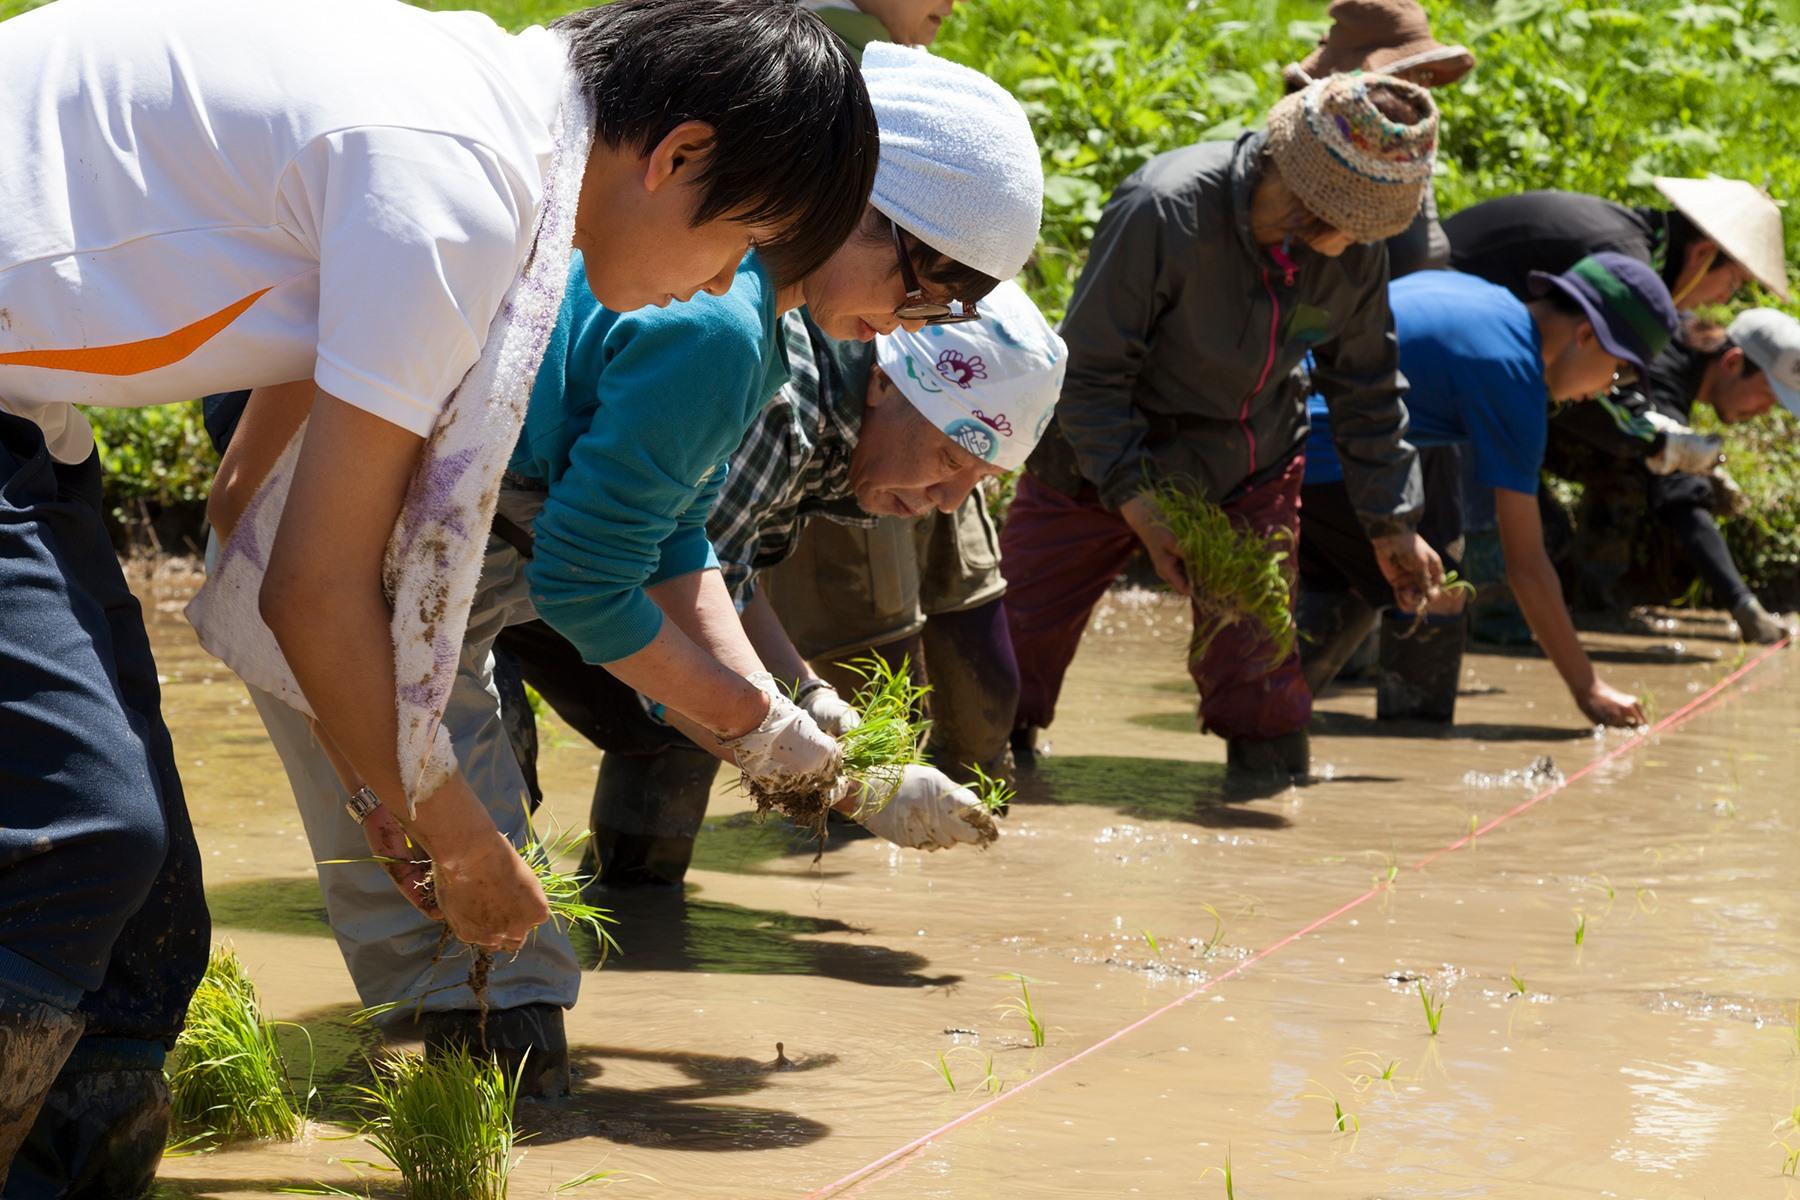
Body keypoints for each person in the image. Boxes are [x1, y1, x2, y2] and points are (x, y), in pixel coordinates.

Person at [0, 0, 876, 1188]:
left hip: (29, 407)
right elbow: (313, 590)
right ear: (677, 156)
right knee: (90, 840)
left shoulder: (481, 111)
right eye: (738, 247)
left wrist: (388, 767)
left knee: (147, 923)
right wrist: (454, 832)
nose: (713, 286)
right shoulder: (461, 184)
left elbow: (303, 331)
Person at [216, 42, 1041, 1092]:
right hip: (345, 556)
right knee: (478, 943)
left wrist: (785, 708)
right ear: (857, 204)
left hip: (425, 566)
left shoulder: (753, 317)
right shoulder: (720, 330)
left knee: (483, 918)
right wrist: (754, 728)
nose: (903, 327)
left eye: (942, 313)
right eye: (919, 286)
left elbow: (674, 548)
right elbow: (585, 588)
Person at [503, 280, 1065, 895]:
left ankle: (635, 923)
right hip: (496, 537)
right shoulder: (776, 411)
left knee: (704, 711)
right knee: (498, 778)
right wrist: (848, 787)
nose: (948, 501)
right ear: (885, 381)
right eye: (951, 461)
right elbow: (654, 606)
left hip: (565, 554)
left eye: (979, 478)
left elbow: (722, 575)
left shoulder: (837, 411)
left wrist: (810, 697)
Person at [1001, 73, 1443, 784]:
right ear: (1308, 199)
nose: (1357, 243)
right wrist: (1139, 503)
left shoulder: (1353, 252)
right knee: (1005, 664)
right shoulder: (1164, 211)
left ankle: (1267, 829)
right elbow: (1086, 373)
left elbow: (1365, 386)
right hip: (1096, 455)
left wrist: (1393, 521)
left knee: (1262, 684)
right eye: (1346, 226)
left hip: (1246, 467)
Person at [757, 0, 1019, 795]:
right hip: (880, 393)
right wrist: (791, 702)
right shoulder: (784, 49)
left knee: (974, 668)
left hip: (956, 396)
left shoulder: (928, 80)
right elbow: (654, 573)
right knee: (873, 655)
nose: (952, 6)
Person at [1298, 253, 1681, 726]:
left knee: (1358, 572)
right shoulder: (1514, 374)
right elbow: (1526, 565)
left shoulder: (1487, 297)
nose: (1606, 390)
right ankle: (1410, 744)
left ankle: (1265, 717)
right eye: (1619, 373)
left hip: (1277, 425)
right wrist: (1589, 688)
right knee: (1432, 586)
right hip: (1318, 448)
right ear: (1586, 336)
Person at [1442, 178, 1791, 643]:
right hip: (1441, 367)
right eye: (1734, 282)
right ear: (1703, 253)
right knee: (1508, 535)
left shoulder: (1628, 247)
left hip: (1467, 364)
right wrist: (1664, 443)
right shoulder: (1624, 262)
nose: (1724, 300)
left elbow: (1592, 383)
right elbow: (1595, 386)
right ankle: (1490, 627)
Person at [1540, 309, 1800, 642]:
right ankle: (1512, 611)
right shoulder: (1661, 373)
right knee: (1558, 530)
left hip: (1539, 434)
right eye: (1768, 394)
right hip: (1500, 440)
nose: (1765, 409)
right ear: (1733, 362)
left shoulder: (1679, 351)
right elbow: (1680, 497)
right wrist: (1744, 606)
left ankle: (1592, 603)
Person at [1283, 0, 1476, 277]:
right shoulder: (1319, 151)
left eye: (1423, 75)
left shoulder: (1402, 139)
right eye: (1410, 75)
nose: (1420, 88)